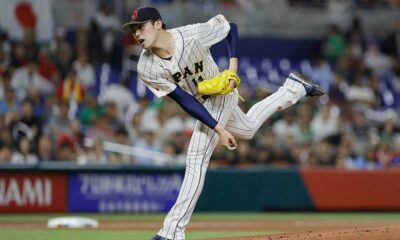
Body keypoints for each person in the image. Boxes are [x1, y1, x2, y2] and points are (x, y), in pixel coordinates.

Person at [122, 7, 324, 240]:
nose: (136, 33)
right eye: (133, 29)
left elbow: (231, 28)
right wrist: (219, 128)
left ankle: (171, 232)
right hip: (200, 102)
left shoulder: (191, 35)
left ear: (158, 24)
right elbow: (184, 100)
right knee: (247, 128)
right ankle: (293, 89)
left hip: (222, 92)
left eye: (141, 26)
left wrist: (233, 67)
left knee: (196, 157)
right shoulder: (146, 67)